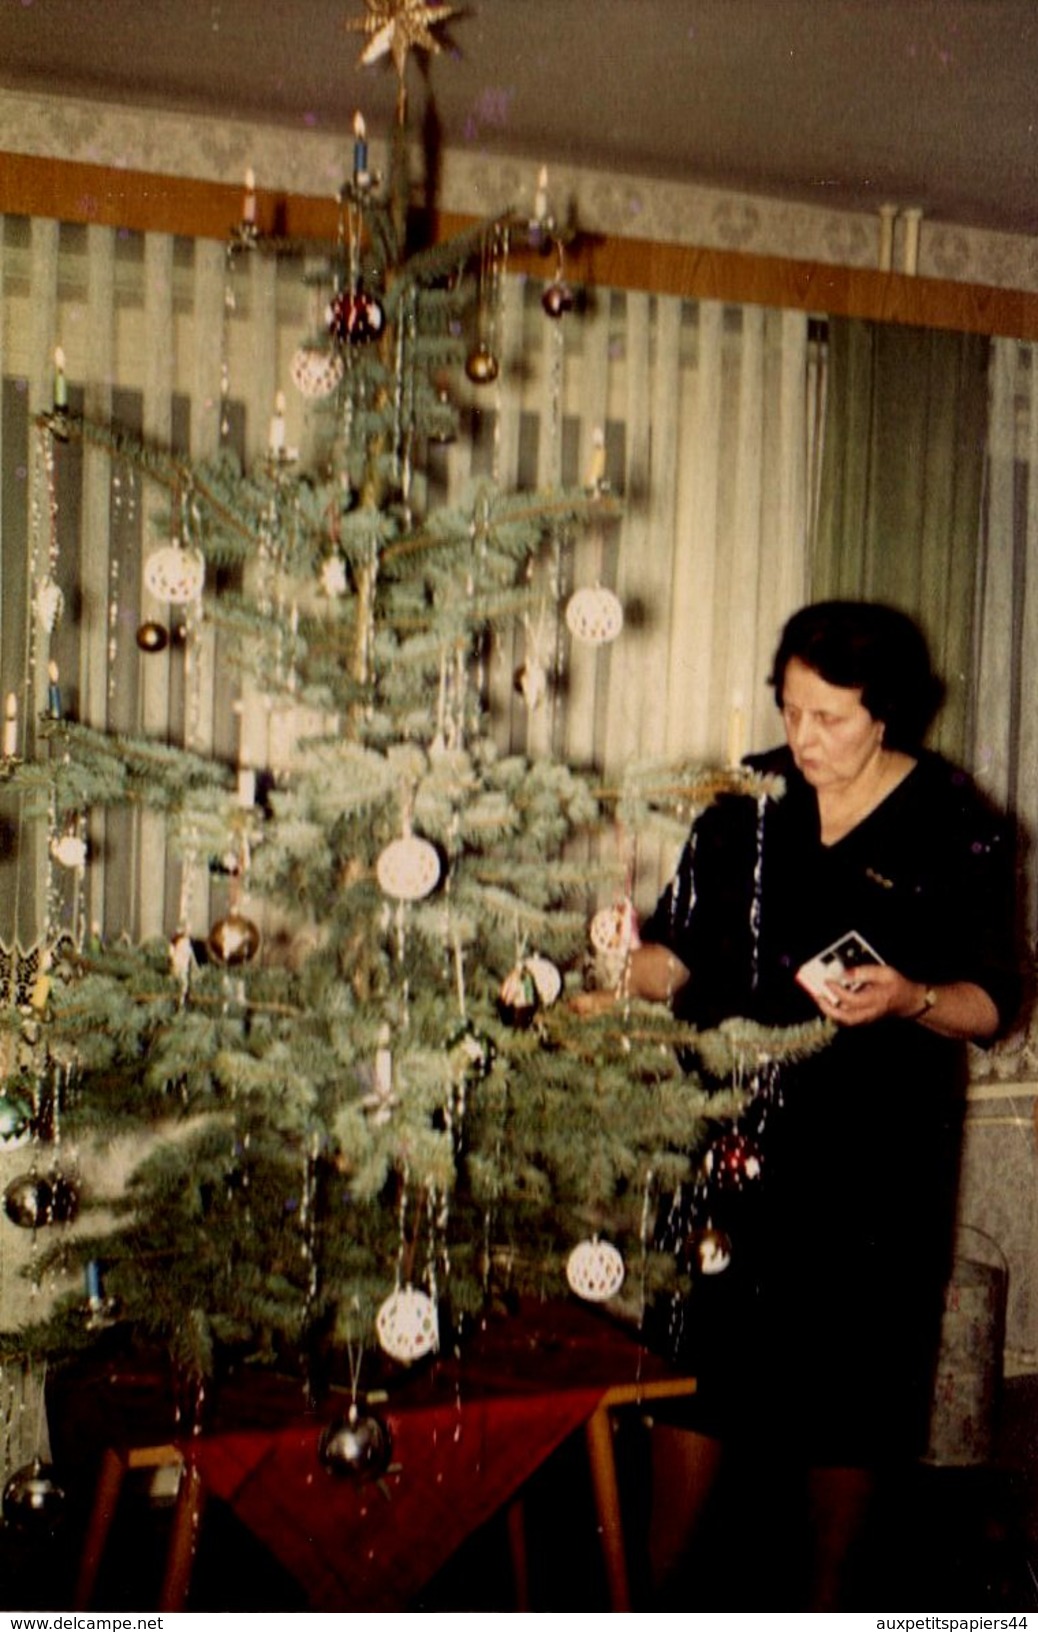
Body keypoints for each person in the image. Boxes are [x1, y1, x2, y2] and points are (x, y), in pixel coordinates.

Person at [590, 601, 1023, 1608]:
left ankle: (831, 1610)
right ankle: (648, 1600)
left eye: (831, 717)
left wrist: (912, 998)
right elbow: (678, 961)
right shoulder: (749, 799)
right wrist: (624, 961)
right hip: (733, 1143)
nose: (804, 739)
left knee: (851, 1399)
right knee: (700, 1376)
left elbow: (993, 1001)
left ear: (889, 714)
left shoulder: (953, 819)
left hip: (876, 1162)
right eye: (792, 711)